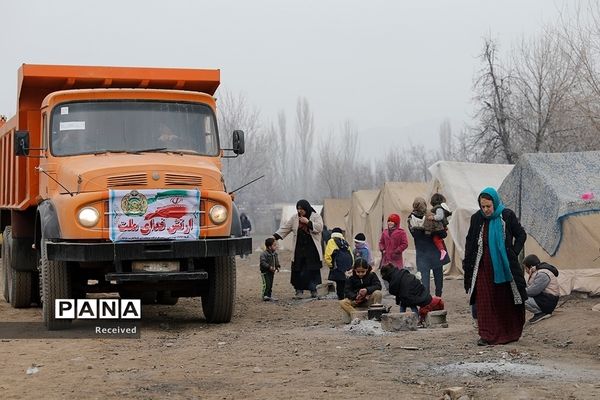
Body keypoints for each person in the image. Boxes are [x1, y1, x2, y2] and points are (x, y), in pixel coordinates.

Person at [463, 187, 528, 346]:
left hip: (504, 268)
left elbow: (521, 235)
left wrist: (512, 252)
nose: (485, 210)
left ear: (495, 203)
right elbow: (470, 242)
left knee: (504, 300)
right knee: (484, 301)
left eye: (488, 206)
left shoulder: (507, 216)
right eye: (482, 206)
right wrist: (467, 264)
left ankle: (508, 333)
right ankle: (486, 335)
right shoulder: (476, 219)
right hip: (483, 266)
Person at [274, 199, 324, 299]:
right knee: (298, 270)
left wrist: (308, 222)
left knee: (312, 270)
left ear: (306, 208)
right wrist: (274, 237)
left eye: (302, 208)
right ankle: (299, 291)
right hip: (299, 250)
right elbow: (285, 228)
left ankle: (313, 290)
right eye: (298, 208)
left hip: (312, 250)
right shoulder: (294, 218)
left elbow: (319, 228)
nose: (300, 210)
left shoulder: (315, 216)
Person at [408, 197, 449, 297]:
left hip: (430, 252)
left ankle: (435, 297)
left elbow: (442, 233)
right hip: (427, 252)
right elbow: (442, 234)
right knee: (429, 277)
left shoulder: (428, 215)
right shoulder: (415, 218)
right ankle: (430, 298)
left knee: (433, 277)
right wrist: (433, 231)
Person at [339, 258, 383, 322]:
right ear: (354, 270)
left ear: (367, 269)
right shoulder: (351, 277)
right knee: (342, 302)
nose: (360, 274)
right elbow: (347, 290)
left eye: (363, 272)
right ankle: (357, 316)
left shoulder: (372, 275)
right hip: (355, 301)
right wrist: (355, 296)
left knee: (378, 293)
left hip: (368, 299)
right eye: (358, 272)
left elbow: (378, 286)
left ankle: (376, 314)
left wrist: (367, 290)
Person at [523, 254, 560, 324]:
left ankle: (541, 313)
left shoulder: (542, 274)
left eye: (525, 268)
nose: (526, 270)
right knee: (520, 295)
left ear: (530, 266)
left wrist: (520, 291)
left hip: (547, 301)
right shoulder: (538, 272)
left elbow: (533, 291)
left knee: (520, 297)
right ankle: (541, 312)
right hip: (545, 299)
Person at [324, 227, 354, 300]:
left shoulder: (331, 241)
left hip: (337, 266)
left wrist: (331, 266)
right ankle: (346, 296)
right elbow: (351, 255)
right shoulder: (345, 242)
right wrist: (351, 266)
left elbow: (327, 255)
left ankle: (341, 297)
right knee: (345, 282)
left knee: (339, 283)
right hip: (347, 266)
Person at [424, 193, 452, 261]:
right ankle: (442, 250)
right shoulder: (438, 208)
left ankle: (442, 250)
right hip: (441, 228)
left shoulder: (438, 208)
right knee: (438, 239)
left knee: (436, 239)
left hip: (440, 228)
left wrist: (433, 217)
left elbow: (440, 217)